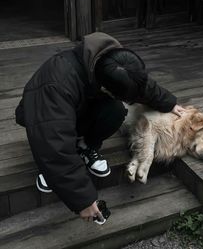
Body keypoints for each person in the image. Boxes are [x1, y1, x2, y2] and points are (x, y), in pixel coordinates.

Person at [15, 32, 185, 222]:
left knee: (116, 110)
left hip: (76, 108)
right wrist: (84, 201)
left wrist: (168, 103)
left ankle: (85, 147)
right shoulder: (55, 85)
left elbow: (140, 84)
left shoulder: (114, 61)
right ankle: (50, 170)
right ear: (104, 88)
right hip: (42, 117)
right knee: (54, 144)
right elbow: (53, 141)